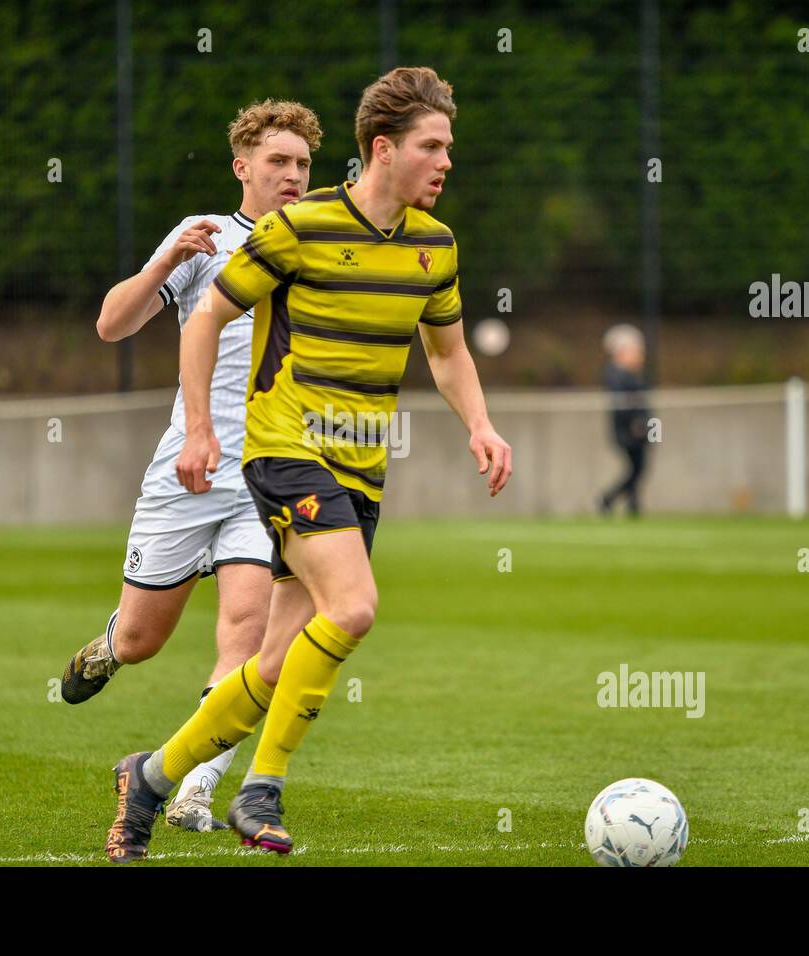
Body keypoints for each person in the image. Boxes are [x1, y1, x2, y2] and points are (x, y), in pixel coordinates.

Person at [104, 66, 513, 862]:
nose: (446, 163)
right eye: (434, 146)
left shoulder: (436, 247)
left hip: (360, 469)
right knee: (354, 607)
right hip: (285, 450)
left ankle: (149, 779)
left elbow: (449, 350)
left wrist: (482, 425)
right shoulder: (299, 227)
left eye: (449, 148)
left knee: (275, 657)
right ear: (383, 150)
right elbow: (207, 316)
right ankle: (262, 790)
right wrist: (198, 429)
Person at [59, 100, 322, 832]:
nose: (293, 175)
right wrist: (168, 262)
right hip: (187, 467)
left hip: (268, 473)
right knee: (145, 640)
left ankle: (195, 788)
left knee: (249, 635)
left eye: (303, 164)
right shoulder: (202, 239)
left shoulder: (320, 244)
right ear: (243, 168)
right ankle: (110, 645)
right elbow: (112, 323)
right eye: (278, 162)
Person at [597, 323, 651, 516]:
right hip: (629, 431)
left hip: (640, 429)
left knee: (638, 468)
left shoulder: (630, 374)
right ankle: (608, 499)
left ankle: (632, 505)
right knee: (637, 468)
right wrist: (636, 424)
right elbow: (624, 405)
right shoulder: (617, 374)